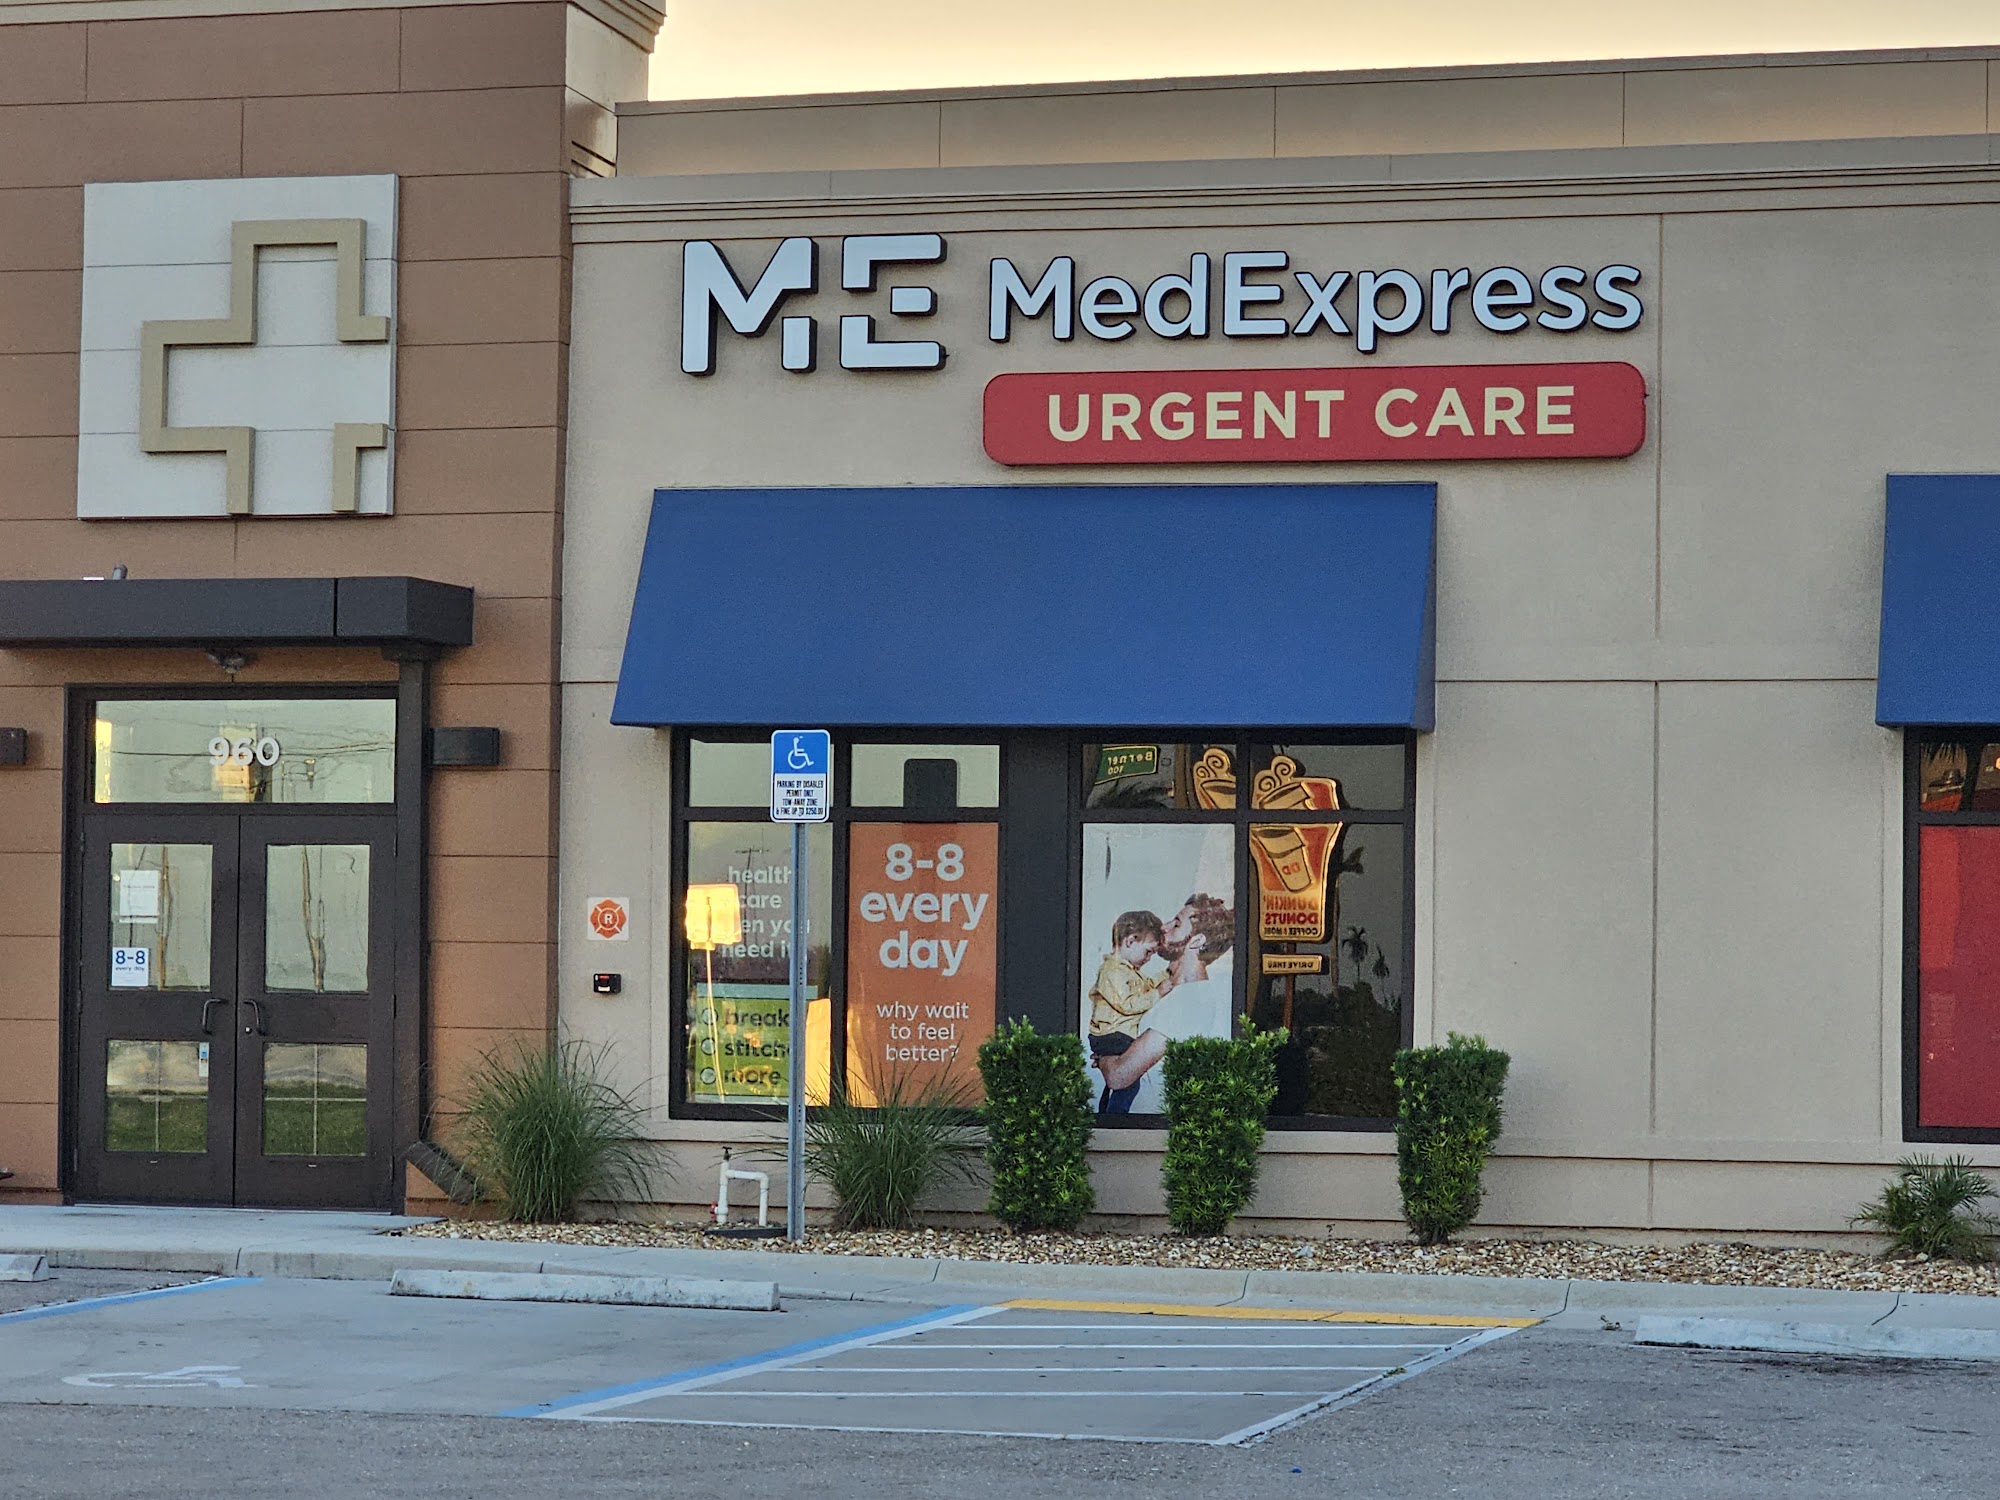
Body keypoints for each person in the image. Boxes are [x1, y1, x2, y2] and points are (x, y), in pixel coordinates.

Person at [1092, 893, 1235, 1106]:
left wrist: (1103, 1057)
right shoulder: (1182, 991)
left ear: (1197, 941)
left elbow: (1118, 1077)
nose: (1164, 927)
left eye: (1176, 924)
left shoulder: (1186, 1001)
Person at [1086, 910, 1200, 1114]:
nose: (1148, 958)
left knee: (1128, 1081)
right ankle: (1115, 1117)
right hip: (1112, 1035)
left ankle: (1109, 1113)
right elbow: (1127, 1004)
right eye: (1148, 952)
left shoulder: (1128, 971)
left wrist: (1167, 974)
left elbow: (1146, 985)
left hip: (1117, 1035)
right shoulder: (1112, 971)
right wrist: (1158, 993)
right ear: (1130, 941)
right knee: (1129, 1079)